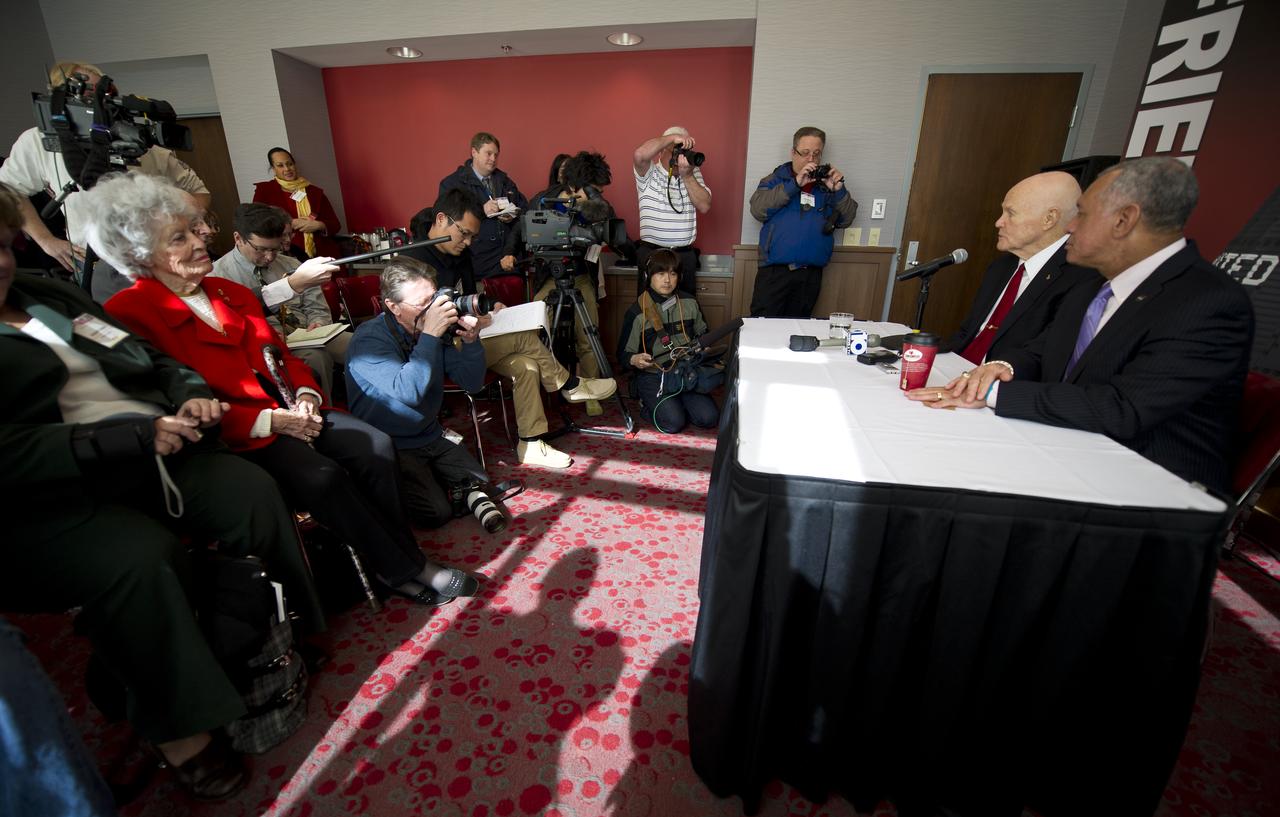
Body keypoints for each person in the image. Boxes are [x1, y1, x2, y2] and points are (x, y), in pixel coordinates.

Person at [0, 181, 322, 801]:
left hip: (158, 446)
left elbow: (145, 357)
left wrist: (184, 393)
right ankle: (182, 731)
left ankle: (284, 638)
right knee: (139, 558)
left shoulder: (43, 292)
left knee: (249, 491)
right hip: (47, 495)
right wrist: (125, 438)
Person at [87, 172, 480, 607]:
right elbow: (169, 402)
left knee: (376, 446)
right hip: (238, 433)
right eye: (180, 238)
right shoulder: (129, 311)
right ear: (143, 254)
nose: (201, 241)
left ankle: (394, 557)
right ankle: (405, 569)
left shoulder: (227, 290)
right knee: (323, 476)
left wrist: (308, 396)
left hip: (294, 408)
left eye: (194, 230)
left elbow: (283, 355)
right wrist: (272, 420)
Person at [909, 157, 1254, 493]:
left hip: (1152, 488)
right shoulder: (1093, 286)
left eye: (1083, 214)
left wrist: (991, 393)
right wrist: (1004, 367)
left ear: (1124, 221)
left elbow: (1125, 408)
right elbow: (1045, 349)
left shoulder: (1207, 302)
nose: (1071, 226)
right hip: (1071, 450)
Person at [405, 188, 617, 468]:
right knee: (521, 337)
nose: (468, 242)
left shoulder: (459, 255)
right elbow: (419, 322)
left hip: (468, 341)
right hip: (438, 352)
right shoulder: (413, 262)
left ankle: (530, 444)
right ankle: (568, 384)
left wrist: (490, 306)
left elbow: (469, 296)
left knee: (526, 366)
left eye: (472, 236)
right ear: (442, 219)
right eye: (464, 233)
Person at [0, 61, 210, 300]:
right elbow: (8, 191)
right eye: (89, 93)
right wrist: (45, 241)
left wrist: (188, 232)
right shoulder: (39, 142)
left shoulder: (135, 139)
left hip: (161, 258)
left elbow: (197, 191)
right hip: (93, 263)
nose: (99, 102)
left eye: (104, 93)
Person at [346, 257, 511, 530]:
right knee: (435, 513)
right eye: (423, 304)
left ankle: (435, 477)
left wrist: (471, 343)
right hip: (391, 441)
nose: (433, 309)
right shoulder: (368, 340)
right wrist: (431, 336)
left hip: (428, 432)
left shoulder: (431, 331)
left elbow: (471, 383)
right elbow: (409, 392)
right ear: (393, 306)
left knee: (479, 479)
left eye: (433, 298)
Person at [943, 171, 1100, 364]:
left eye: (1011, 213)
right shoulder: (1000, 267)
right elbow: (967, 332)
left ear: (1049, 219)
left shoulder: (1082, 277)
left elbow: (1044, 356)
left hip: (999, 385)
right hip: (955, 369)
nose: (998, 222)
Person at [209, 203, 348, 400]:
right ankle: (324, 415)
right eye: (261, 249)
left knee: (360, 343)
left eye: (275, 249)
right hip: (270, 344)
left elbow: (316, 306)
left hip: (310, 334)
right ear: (238, 238)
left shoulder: (291, 264)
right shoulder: (217, 276)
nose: (269, 257)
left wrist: (319, 323)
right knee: (316, 357)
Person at [748, 126, 857, 318]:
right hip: (775, 273)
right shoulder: (774, 180)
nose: (811, 159)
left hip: (810, 276)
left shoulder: (827, 186)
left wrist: (838, 190)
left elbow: (846, 219)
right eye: (805, 153)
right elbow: (758, 210)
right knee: (762, 327)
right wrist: (795, 184)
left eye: (816, 154)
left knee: (798, 331)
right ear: (793, 152)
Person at [617, 249, 721, 433]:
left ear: (679, 276)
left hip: (685, 370)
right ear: (648, 275)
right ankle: (647, 403)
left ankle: (677, 402)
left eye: (673, 274)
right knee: (673, 423)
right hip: (655, 376)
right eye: (661, 273)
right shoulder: (637, 312)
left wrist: (706, 349)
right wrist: (634, 360)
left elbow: (703, 334)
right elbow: (623, 355)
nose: (667, 280)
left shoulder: (690, 303)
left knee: (709, 418)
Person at [632, 126, 711, 295]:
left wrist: (687, 176)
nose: (681, 156)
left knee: (686, 309)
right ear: (661, 151)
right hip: (653, 255)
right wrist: (672, 139)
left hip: (684, 256)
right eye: (678, 150)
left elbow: (704, 205)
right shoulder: (649, 171)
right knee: (649, 310)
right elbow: (639, 154)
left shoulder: (692, 172)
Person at [438, 132, 527, 281]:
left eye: (496, 155)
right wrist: (481, 210)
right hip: (477, 267)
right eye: (488, 153)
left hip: (509, 263)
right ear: (474, 152)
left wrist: (513, 215)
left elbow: (525, 211)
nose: (493, 159)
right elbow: (446, 222)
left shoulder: (506, 181)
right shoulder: (452, 183)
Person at [252, 147, 342, 260]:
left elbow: (335, 225)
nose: (287, 169)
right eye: (280, 165)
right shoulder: (265, 190)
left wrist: (319, 225)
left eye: (290, 164)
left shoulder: (314, 192)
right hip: (285, 256)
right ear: (273, 169)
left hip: (321, 255)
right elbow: (256, 223)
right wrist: (290, 223)